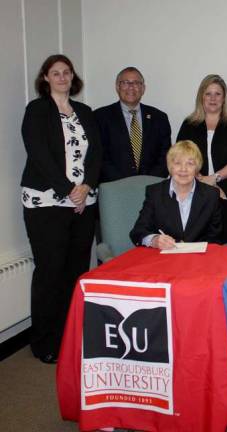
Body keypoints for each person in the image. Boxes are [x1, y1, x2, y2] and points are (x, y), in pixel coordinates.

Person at [21, 54, 102, 364]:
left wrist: (85, 188)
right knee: (50, 272)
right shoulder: (37, 110)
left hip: (83, 202)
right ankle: (44, 342)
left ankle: (71, 337)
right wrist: (69, 190)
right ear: (45, 78)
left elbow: (96, 153)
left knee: (76, 270)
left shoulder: (84, 111)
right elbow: (39, 154)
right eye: (55, 73)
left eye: (66, 72)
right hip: (47, 203)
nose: (62, 77)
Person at [177, 74, 227, 243]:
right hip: (194, 192)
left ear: (224, 98)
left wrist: (214, 179)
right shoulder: (189, 124)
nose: (213, 98)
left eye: (218, 94)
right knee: (197, 244)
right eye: (208, 93)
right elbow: (180, 157)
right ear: (201, 96)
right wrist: (201, 180)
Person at [130, 140, 222, 248]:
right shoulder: (155, 193)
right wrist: (154, 240)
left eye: (190, 163)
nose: (183, 169)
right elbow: (138, 231)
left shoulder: (211, 195)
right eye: (177, 163)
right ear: (170, 167)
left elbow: (215, 239)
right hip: (163, 259)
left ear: (197, 168)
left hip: (198, 260)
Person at [95, 66, 172, 182]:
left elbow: (166, 155)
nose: (131, 87)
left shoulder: (159, 118)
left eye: (136, 83)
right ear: (117, 87)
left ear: (143, 88)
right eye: (125, 83)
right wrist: (124, 183)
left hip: (151, 187)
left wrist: (147, 181)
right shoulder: (100, 117)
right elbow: (99, 155)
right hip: (113, 187)